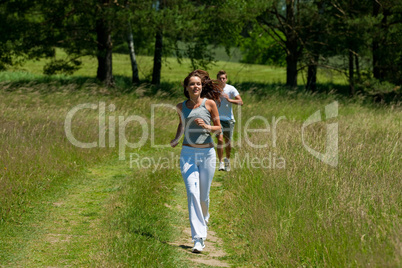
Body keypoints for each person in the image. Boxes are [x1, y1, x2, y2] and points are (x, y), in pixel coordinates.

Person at [170, 70, 222, 253]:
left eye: (198, 84)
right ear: (186, 87)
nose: (195, 86)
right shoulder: (181, 106)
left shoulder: (210, 104)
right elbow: (181, 125)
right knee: (192, 192)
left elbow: (218, 128)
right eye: (192, 84)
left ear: (201, 87)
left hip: (207, 154)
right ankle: (198, 238)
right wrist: (176, 138)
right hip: (187, 154)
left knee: (203, 196)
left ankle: (204, 217)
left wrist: (207, 126)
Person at [216, 70, 243, 172]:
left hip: (229, 120)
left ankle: (227, 160)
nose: (222, 80)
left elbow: (241, 102)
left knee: (228, 143)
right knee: (219, 140)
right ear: (217, 79)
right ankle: (221, 163)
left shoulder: (231, 89)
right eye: (220, 78)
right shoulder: (215, 89)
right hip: (218, 119)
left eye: (223, 78)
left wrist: (229, 100)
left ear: (226, 79)